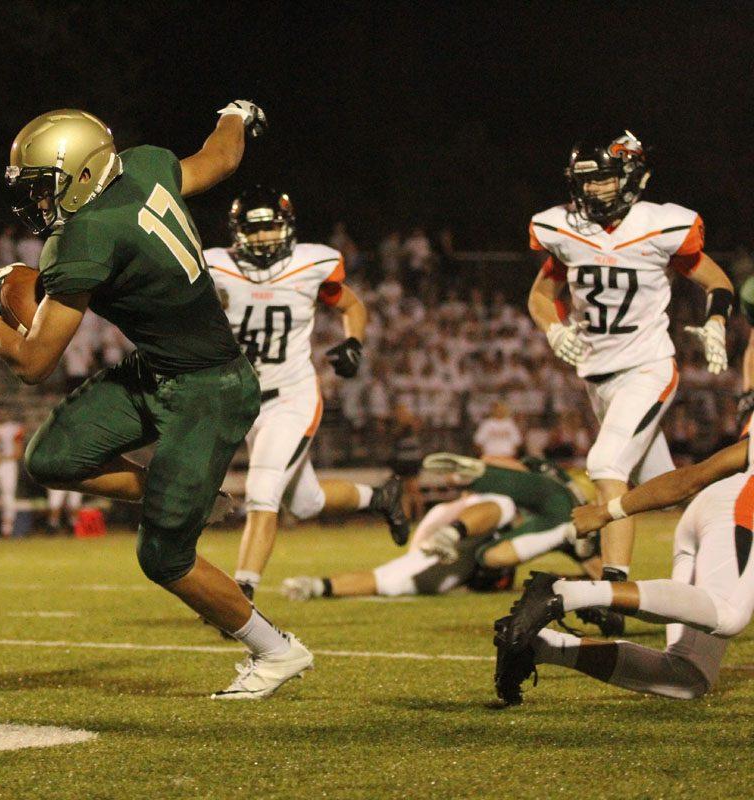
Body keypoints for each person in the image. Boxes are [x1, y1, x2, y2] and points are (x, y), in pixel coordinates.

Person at [0, 102, 314, 700]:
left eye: (43, 187)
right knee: (51, 457)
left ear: (81, 174)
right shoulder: (145, 166)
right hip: (159, 368)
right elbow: (222, 155)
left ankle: (277, 650)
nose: (36, 202)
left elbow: (32, 363)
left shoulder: (85, 236)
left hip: (209, 390)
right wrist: (236, 114)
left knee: (163, 557)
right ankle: (181, 499)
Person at [493, 334, 754, 704]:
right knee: (728, 614)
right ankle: (565, 593)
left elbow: (696, 476)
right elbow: (695, 476)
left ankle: (538, 647)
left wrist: (610, 510)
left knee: (687, 677)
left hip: (711, 512)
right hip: (740, 512)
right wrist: (608, 511)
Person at [527, 131, 734, 587]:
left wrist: (717, 322)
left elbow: (718, 282)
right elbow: (541, 296)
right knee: (668, 487)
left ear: (632, 176)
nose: (592, 190)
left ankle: (614, 588)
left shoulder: (659, 226)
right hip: (597, 378)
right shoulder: (565, 230)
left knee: (606, 466)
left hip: (647, 366)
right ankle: (741, 511)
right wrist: (554, 327)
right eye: (586, 181)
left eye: (603, 179)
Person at [205, 186, 409, 602]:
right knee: (307, 502)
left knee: (263, 493)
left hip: (290, 397)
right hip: (244, 400)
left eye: (269, 229)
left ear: (286, 228)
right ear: (237, 233)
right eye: (253, 231)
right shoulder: (216, 268)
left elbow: (353, 306)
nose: (262, 239)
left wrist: (354, 343)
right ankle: (380, 496)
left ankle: (240, 594)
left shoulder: (310, 264)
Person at [282, 456, 608, 616]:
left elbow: (598, 573)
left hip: (481, 552)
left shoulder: (565, 518)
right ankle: (452, 533)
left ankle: (319, 586)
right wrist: (480, 471)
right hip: (471, 518)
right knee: (504, 504)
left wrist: (572, 573)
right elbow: (515, 471)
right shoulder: (549, 483)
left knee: (395, 582)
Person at [0, 408, 24, 539]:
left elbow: (18, 453)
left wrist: (2, 459)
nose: (1, 414)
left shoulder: (13, 428)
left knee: (8, 496)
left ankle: (7, 528)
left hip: (8, 465)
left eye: (3, 412)